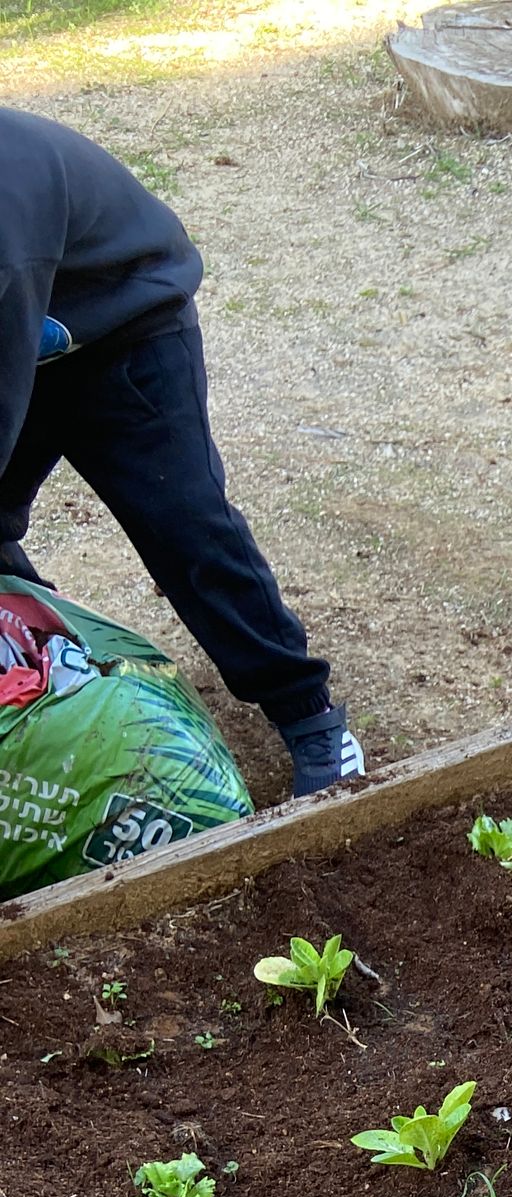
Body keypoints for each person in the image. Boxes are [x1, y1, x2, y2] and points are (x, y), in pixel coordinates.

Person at [0, 108, 362, 798]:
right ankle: (41, 665)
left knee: (186, 527)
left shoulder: (5, 218)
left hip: (125, 327)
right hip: (32, 335)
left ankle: (309, 716)